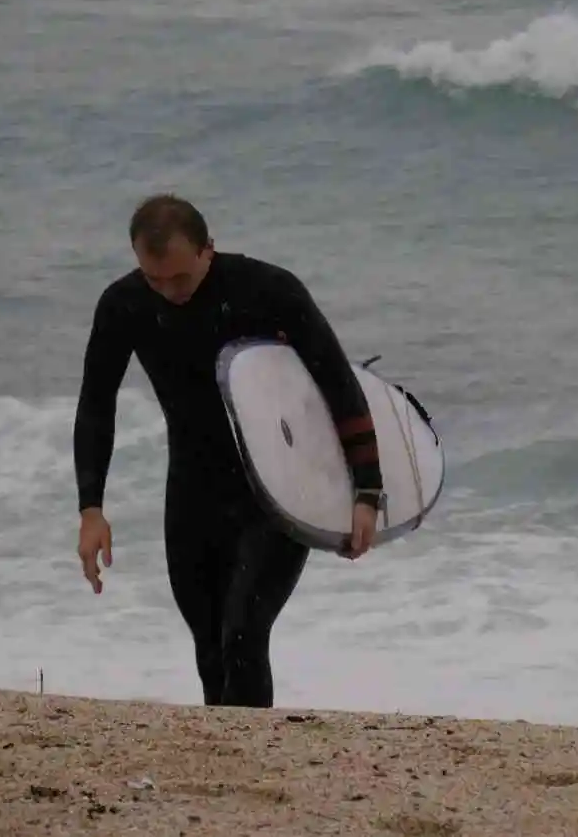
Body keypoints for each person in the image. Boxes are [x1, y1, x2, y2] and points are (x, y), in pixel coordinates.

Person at [71, 193, 383, 709]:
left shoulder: (268, 291)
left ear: (207, 251)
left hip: (276, 490)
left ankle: (256, 766)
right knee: (211, 648)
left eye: (180, 279)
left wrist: (366, 491)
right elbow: (96, 407)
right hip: (192, 492)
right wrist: (91, 508)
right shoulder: (123, 305)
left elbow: (338, 384)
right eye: (154, 279)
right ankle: (233, 777)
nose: (168, 293)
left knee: (243, 637)